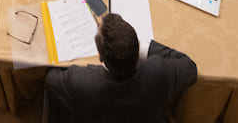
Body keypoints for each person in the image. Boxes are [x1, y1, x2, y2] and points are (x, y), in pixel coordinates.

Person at [44, 12, 196, 123]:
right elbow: (190, 68)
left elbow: (51, 80)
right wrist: (141, 46)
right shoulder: (158, 72)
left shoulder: (79, 80)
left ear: (101, 57)